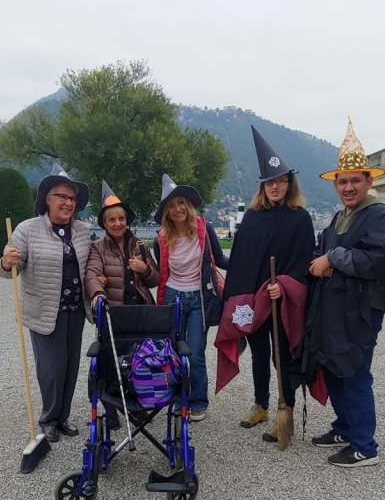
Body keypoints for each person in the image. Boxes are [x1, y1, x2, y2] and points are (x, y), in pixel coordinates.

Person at [301, 119, 385, 468]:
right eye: (343, 181)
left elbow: (382, 261)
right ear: (335, 185)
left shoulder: (380, 217)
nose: (349, 187)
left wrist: (333, 258)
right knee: (334, 368)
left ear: (369, 181)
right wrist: (317, 261)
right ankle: (345, 427)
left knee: (354, 372)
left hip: (359, 311)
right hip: (333, 308)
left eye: (355, 180)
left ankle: (365, 446)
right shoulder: (340, 217)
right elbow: (322, 250)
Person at [219, 127, 314, 441]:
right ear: (263, 186)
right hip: (254, 301)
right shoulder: (252, 218)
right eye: (270, 182)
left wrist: (283, 285)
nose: (275, 186)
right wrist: (235, 298)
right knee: (259, 353)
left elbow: (304, 262)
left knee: (282, 356)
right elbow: (242, 261)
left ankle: (285, 408)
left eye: (281, 181)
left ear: (289, 183)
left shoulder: (300, 218)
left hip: (283, 302)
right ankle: (260, 404)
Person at [0, 163, 91, 444]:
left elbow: (91, 265)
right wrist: (7, 261)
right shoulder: (27, 230)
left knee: (71, 366)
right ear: (47, 199)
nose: (68, 202)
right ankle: (48, 419)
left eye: (72, 198)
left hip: (75, 311)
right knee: (52, 369)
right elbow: (7, 270)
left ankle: (63, 417)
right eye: (61, 196)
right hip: (44, 312)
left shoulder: (83, 231)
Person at [151, 174, 229, 422]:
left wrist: (249, 261)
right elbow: (161, 272)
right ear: (166, 212)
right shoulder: (161, 238)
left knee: (195, 353)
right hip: (172, 296)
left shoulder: (205, 229)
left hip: (199, 299)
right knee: (173, 352)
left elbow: (220, 259)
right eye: (171, 206)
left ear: (188, 205)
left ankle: (197, 401)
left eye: (181, 203)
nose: (177, 209)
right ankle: (177, 399)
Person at [84, 181, 158, 430]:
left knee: (141, 358)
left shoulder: (141, 246)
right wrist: (97, 292)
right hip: (113, 313)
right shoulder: (97, 248)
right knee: (109, 360)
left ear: (127, 220)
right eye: (111, 220)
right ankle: (112, 409)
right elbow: (91, 274)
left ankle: (138, 404)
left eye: (121, 219)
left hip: (140, 312)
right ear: (104, 224)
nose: (117, 223)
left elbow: (156, 279)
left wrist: (144, 269)